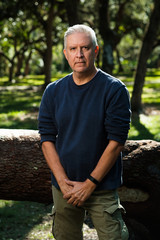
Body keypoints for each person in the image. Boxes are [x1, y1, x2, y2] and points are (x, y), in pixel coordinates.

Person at [38, 24, 131, 240]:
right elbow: (47, 138)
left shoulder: (114, 90)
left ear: (95, 50)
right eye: (73, 49)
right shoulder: (53, 91)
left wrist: (90, 184)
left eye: (85, 48)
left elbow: (116, 141)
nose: (79, 55)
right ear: (65, 53)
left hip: (102, 186)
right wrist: (61, 181)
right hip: (64, 187)